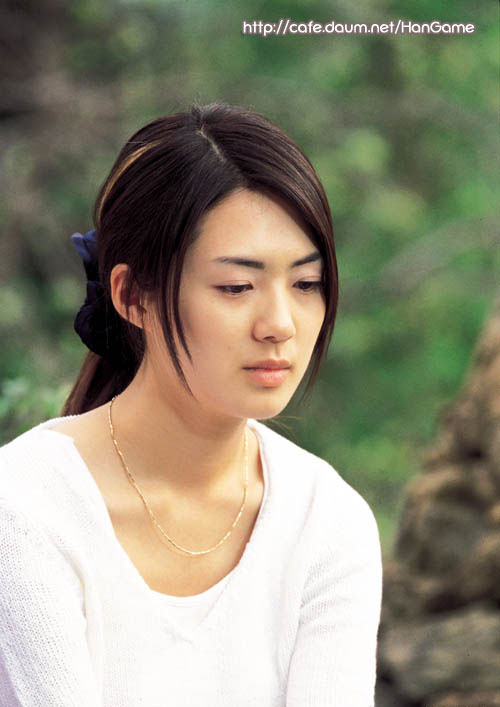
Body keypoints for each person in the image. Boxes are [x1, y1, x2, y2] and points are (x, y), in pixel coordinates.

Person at [0, 102, 382, 706]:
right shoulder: (26, 506)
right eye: (236, 286)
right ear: (133, 295)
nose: (280, 323)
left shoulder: (327, 521)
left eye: (306, 284)